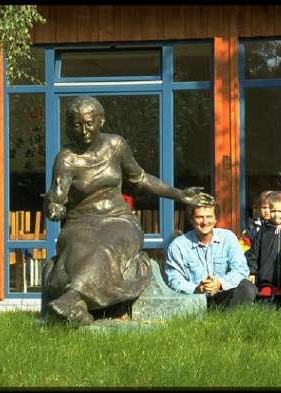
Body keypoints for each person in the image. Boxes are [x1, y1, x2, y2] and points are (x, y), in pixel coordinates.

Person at [42, 96, 213, 326]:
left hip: (118, 219)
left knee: (105, 248)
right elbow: (57, 199)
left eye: (89, 123)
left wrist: (179, 195)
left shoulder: (116, 145)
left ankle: (73, 297)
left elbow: (140, 179)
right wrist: (53, 208)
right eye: (76, 124)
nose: (83, 130)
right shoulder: (66, 159)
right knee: (81, 248)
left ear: (101, 121)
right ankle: (78, 306)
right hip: (80, 222)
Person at [163, 202, 257, 309]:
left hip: (224, 295)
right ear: (191, 220)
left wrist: (220, 283)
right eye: (199, 217)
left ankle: (232, 322)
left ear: (215, 219)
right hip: (194, 300)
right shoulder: (178, 246)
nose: (205, 221)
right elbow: (173, 280)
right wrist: (197, 288)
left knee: (247, 287)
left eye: (209, 217)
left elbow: (241, 270)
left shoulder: (228, 238)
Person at [246, 191, 281, 310]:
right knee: (266, 313)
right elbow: (254, 253)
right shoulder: (263, 231)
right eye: (273, 211)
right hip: (266, 282)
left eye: (280, 211)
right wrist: (252, 271)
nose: (276, 215)